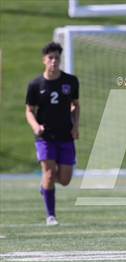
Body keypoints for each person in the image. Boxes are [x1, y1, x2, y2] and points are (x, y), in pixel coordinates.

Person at [25, 42, 80, 226]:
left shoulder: (70, 81)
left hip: (65, 135)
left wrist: (75, 126)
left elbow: (75, 105)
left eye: (57, 58)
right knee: (49, 174)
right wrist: (35, 126)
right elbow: (29, 110)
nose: (54, 61)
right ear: (44, 60)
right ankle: (51, 216)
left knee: (64, 180)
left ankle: (44, 187)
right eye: (50, 58)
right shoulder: (35, 85)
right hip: (45, 137)